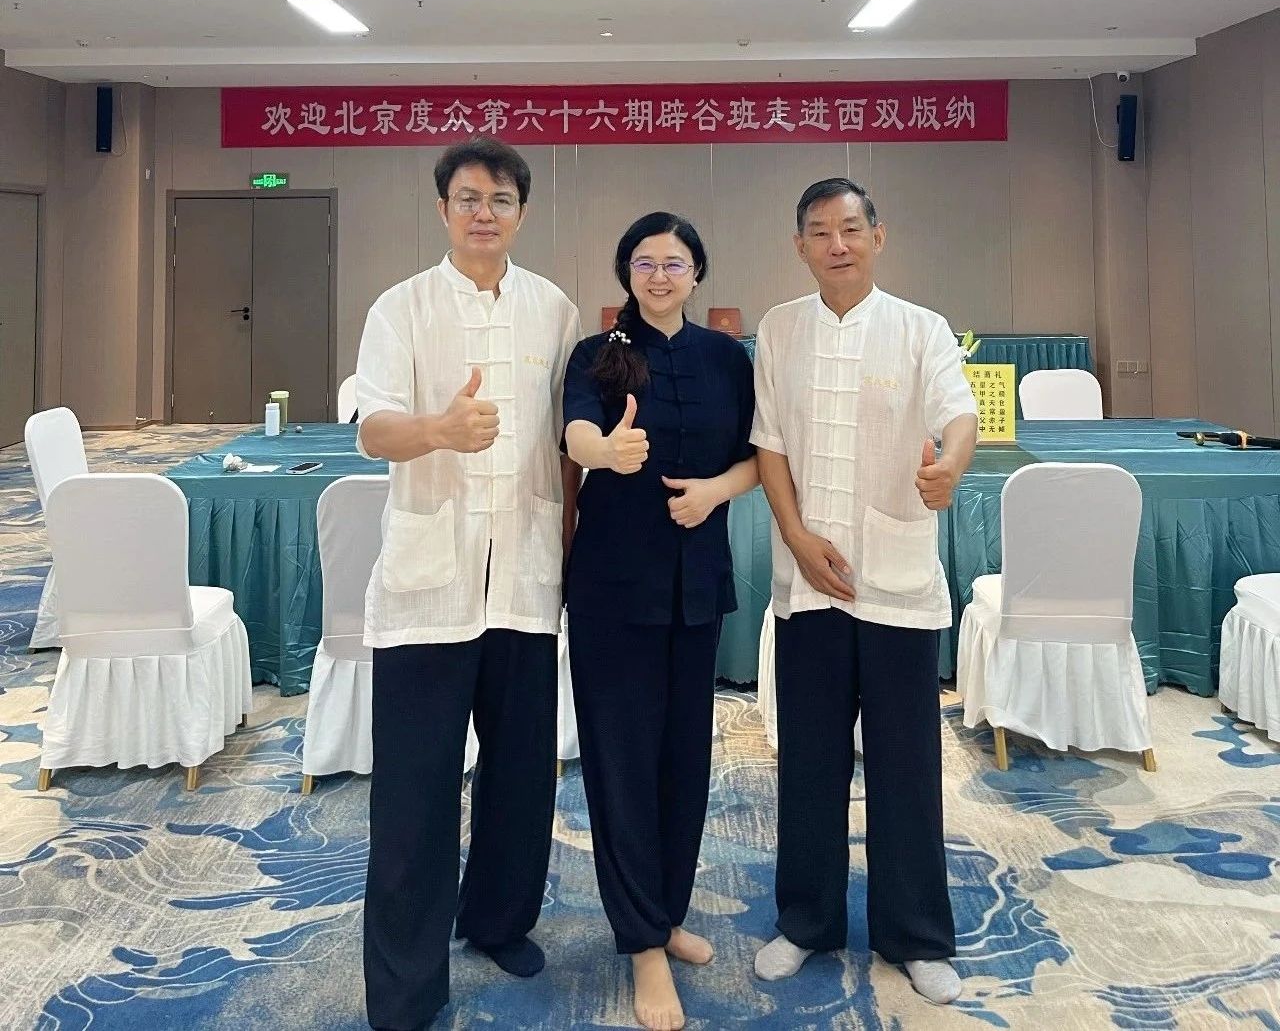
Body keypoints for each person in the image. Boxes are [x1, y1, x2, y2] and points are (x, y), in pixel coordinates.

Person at [355, 137, 581, 1031]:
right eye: (468, 198)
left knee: (522, 774)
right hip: (429, 590)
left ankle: (497, 920)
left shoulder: (554, 310)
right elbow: (371, 430)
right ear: (443, 209)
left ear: (522, 212)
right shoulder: (401, 308)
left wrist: (571, 541)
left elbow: (567, 439)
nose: (484, 213)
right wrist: (438, 431)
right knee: (414, 795)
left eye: (500, 200)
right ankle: (406, 990)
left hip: (523, 573)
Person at [750, 178, 978, 1006]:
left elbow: (958, 415)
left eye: (850, 228)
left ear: (879, 236)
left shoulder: (921, 328)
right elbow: (770, 446)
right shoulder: (779, 329)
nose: (836, 244)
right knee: (809, 761)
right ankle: (805, 922)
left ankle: (916, 935)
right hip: (810, 582)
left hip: (895, 585)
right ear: (800, 246)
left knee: (905, 765)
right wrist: (796, 537)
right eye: (820, 231)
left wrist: (951, 465)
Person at [562, 212, 758, 1031]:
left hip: (695, 583)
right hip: (613, 588)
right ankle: (642, 942)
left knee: (683, 759)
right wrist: (603, 452)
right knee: (621, 763)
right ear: (626, 274)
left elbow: (758, 456)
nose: (659, 275)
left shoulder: (727, 358)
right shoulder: (595, 355)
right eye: (644, 263)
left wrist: (716, 491)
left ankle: (667, 913)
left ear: (697, 272)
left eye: (674, 263)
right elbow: (575, 431)